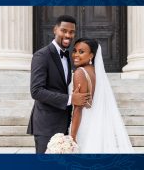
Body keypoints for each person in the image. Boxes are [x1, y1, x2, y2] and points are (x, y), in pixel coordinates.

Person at [27, 15, 90, 153]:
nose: (68, 35)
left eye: (72, 32)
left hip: (64, 123)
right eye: (64, 30)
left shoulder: (68, 56)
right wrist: (70, 99)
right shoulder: (41, 55)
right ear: (55, 30)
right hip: (46, 125)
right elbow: (36, 91)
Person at [70, 38, 134, 153]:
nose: (75, 55)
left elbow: (78, 108)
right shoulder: (96, 72)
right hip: (97, 126)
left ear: (91, 56)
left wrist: (72, 137)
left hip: (84, 124)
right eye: (75, 50)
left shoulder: (79, 72)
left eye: (81, 52)